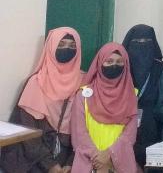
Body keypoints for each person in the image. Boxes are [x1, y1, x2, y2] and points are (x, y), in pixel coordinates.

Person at [0, 27, 82, 173]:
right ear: (51, 47)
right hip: (34, 160)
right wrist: (51, 166)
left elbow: (84, 129)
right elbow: (28, 132)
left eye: (72, 46)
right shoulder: (36, 83)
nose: (67, 49)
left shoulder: (84, 83)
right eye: (61, 44)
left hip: (68, 159)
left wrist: (71, 163)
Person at [70, 43, 138, 173]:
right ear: (100, 63)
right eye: (109, 61)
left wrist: (110, 155)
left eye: (119, 62)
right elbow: (79, 133)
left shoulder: (132, 96)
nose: (114, 65)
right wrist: (97, 157)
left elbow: (130, 134)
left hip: (119, 163)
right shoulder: (83, 95)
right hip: (88, 162)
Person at [122, 24, 163, 168]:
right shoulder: (121, 67)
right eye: (137, 42)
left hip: (152, 129)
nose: (142, 46)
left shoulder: (160, 68)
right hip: (123, 127)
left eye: (146, 42)